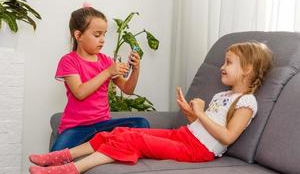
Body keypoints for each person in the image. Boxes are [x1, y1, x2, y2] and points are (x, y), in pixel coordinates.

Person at [29, 42, 274, 174]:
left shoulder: (246, 102)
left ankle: (71, 169)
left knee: (133, 140)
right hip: (186, 137)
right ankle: (62, 156)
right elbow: (203, 127)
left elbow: (228, 136)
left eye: (228, 62)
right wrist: (191, 114)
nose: (222, 66)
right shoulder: (223, 94)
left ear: (247, 69)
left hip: (198, 151)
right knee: (117, 132)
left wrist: (199, 113)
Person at [50, 5, 150, 152]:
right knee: (54, 156)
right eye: (97, 35)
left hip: (103, 125)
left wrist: (135, 69)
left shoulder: (106, 61)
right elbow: (79, 92)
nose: (102, 40)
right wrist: (108, 72)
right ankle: (101, 147)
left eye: (104, 35)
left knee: (141, 123)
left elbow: (128, 89)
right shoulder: (69, 61)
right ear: (78, 36)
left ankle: (100, 146)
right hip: (76, 128)